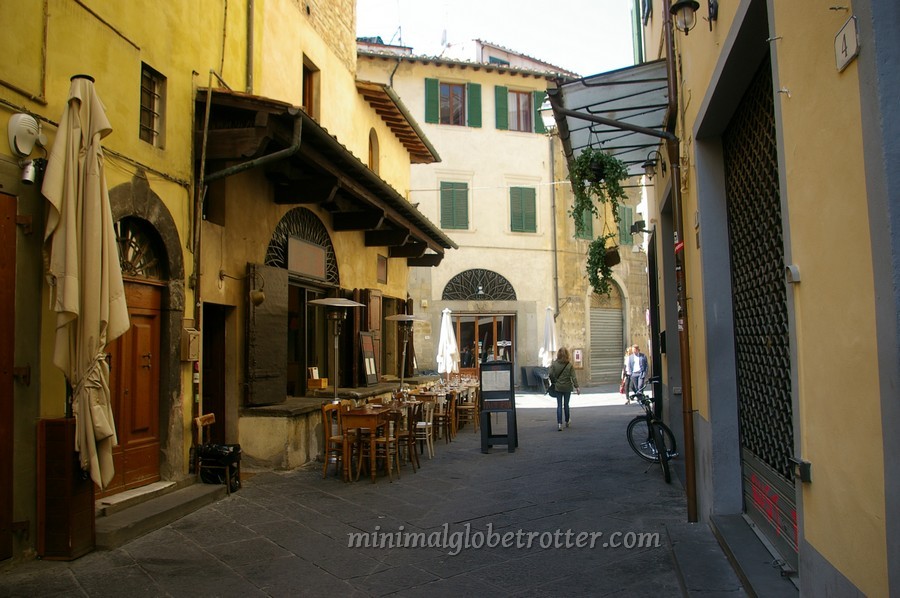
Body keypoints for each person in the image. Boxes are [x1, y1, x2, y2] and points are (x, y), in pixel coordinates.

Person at [548, 347, 580, 431]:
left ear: (558, 354)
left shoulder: (554, 364)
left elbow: (550, 374)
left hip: (558, 387)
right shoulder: (569, 365)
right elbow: (573, 377)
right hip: (567, 387)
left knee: (559, 405)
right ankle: (567, 421)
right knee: (566, 404)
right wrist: (577, 387)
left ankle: (559, 424)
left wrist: (554, 381)